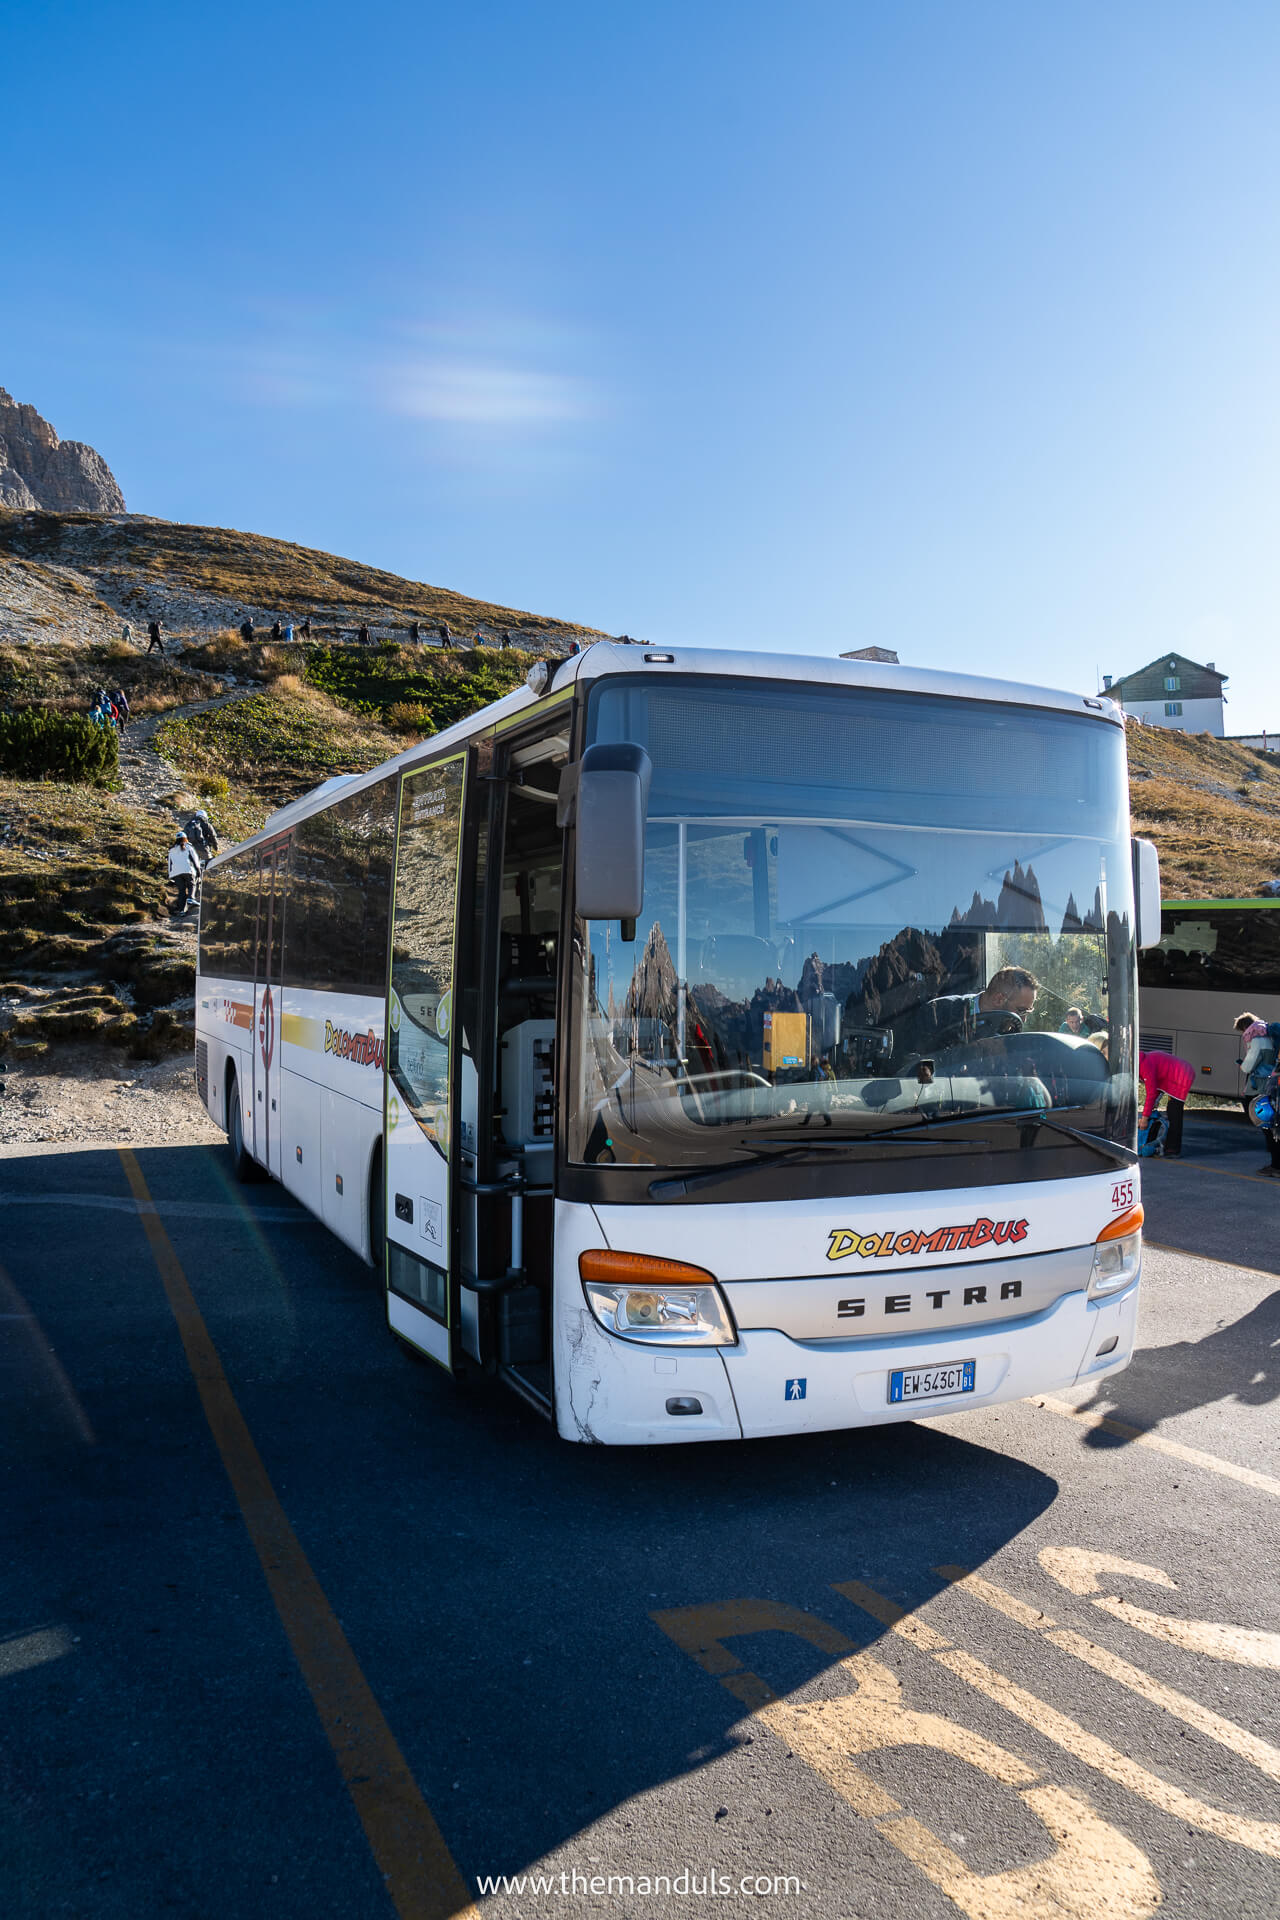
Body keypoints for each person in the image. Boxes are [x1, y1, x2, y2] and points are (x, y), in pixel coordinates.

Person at [915, 966, 1040, 1055]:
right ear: (998, 999)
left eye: (1028, 1012)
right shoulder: (937, 1012)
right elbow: (912, 1064)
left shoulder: (1010, 1035)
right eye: (1021, 1010)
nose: (1023, 1020)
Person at [1138, 1047, 1195, 1157]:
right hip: (1173, 1074)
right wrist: (1154, 1102)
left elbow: (1150, 1092)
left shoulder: (1144, 1066)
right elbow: (1155, 1087)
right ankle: (1168, 1145)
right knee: (1171, 1110)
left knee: (1174, 1111)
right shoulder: (1143, 1061)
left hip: (1182, 1074)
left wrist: (1145, 1118)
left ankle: (1173, 1149)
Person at [1234, 1011, 1277, 1115]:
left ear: (1244, 1027)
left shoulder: (1257, 1038)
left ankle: (1266, 1129)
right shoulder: (1265, 1033)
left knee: (1251, 1103)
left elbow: (1252, 1060)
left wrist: (1243, 1066)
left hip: (1260, 1077)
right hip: (1270, 1074)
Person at [168, 834, 200, 915]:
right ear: (185, 838)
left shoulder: (172, 849)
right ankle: (190, 898)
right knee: (192, 884)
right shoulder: (189, 847)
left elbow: (170, 863)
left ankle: (182, 911)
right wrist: (198, 870)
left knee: (181, 891)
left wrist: (170, 874)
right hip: (187, 870)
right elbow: (195, 859)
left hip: (176, 873)